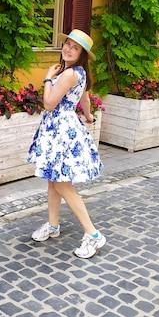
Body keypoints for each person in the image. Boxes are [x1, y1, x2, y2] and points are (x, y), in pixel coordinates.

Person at [26, 29, 105, 259]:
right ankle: (52, 225)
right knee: (54, 181)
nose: (68, 49)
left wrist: (48, 78)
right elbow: (85, 98)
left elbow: (49, 103)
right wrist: (88, 116)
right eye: (67, 44)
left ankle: (93, 235)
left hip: (60, 130)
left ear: (82, 54)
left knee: (61, 184)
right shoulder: (77, 73)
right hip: (62, 128)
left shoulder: (69, 74)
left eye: (75, 47)